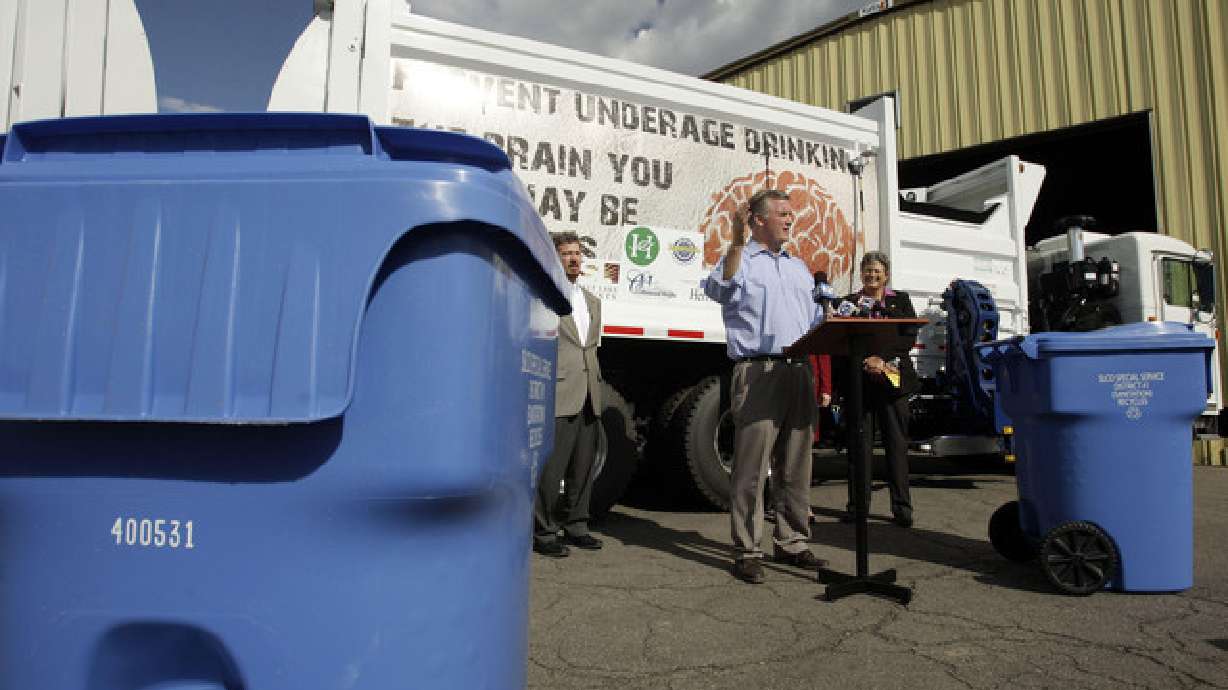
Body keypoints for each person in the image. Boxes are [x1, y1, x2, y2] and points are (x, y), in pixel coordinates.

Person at [702, 189, 827, 584]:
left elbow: (815, 321)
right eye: (782, 214)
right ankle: (747, 548)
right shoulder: (741, 260)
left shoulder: (798, 267)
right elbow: (719, 289)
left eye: (792, 214)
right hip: (758, 372)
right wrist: (736, 242)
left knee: (796, 465)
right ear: (758, 219)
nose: (791, 220)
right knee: (752, 468)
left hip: (798, 371)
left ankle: (791, 541)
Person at [533, 232, 605, 557]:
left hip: (590, 391)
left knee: (583, 466)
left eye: (577, 254)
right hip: (561, 390)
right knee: (554, 466)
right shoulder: (544, 296)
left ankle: (577, 525)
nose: (574, 259)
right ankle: (545, 531)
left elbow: (592, 347)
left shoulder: (592, 301)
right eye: (566, 254)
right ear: (554, 258)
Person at [839, 251, 918, 527]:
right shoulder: (849, 303)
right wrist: (866, 361)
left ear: (886, 274)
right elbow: (841, 339)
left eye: (877, 271)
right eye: (867, 270)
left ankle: (902, 508)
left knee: (896, 446)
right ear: (861, 273)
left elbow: (909, 336)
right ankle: (857, 507)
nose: (872, 275)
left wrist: (881, 360)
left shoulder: (901, 300)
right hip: (860, 383)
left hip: (893, 382)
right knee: (859, 448)